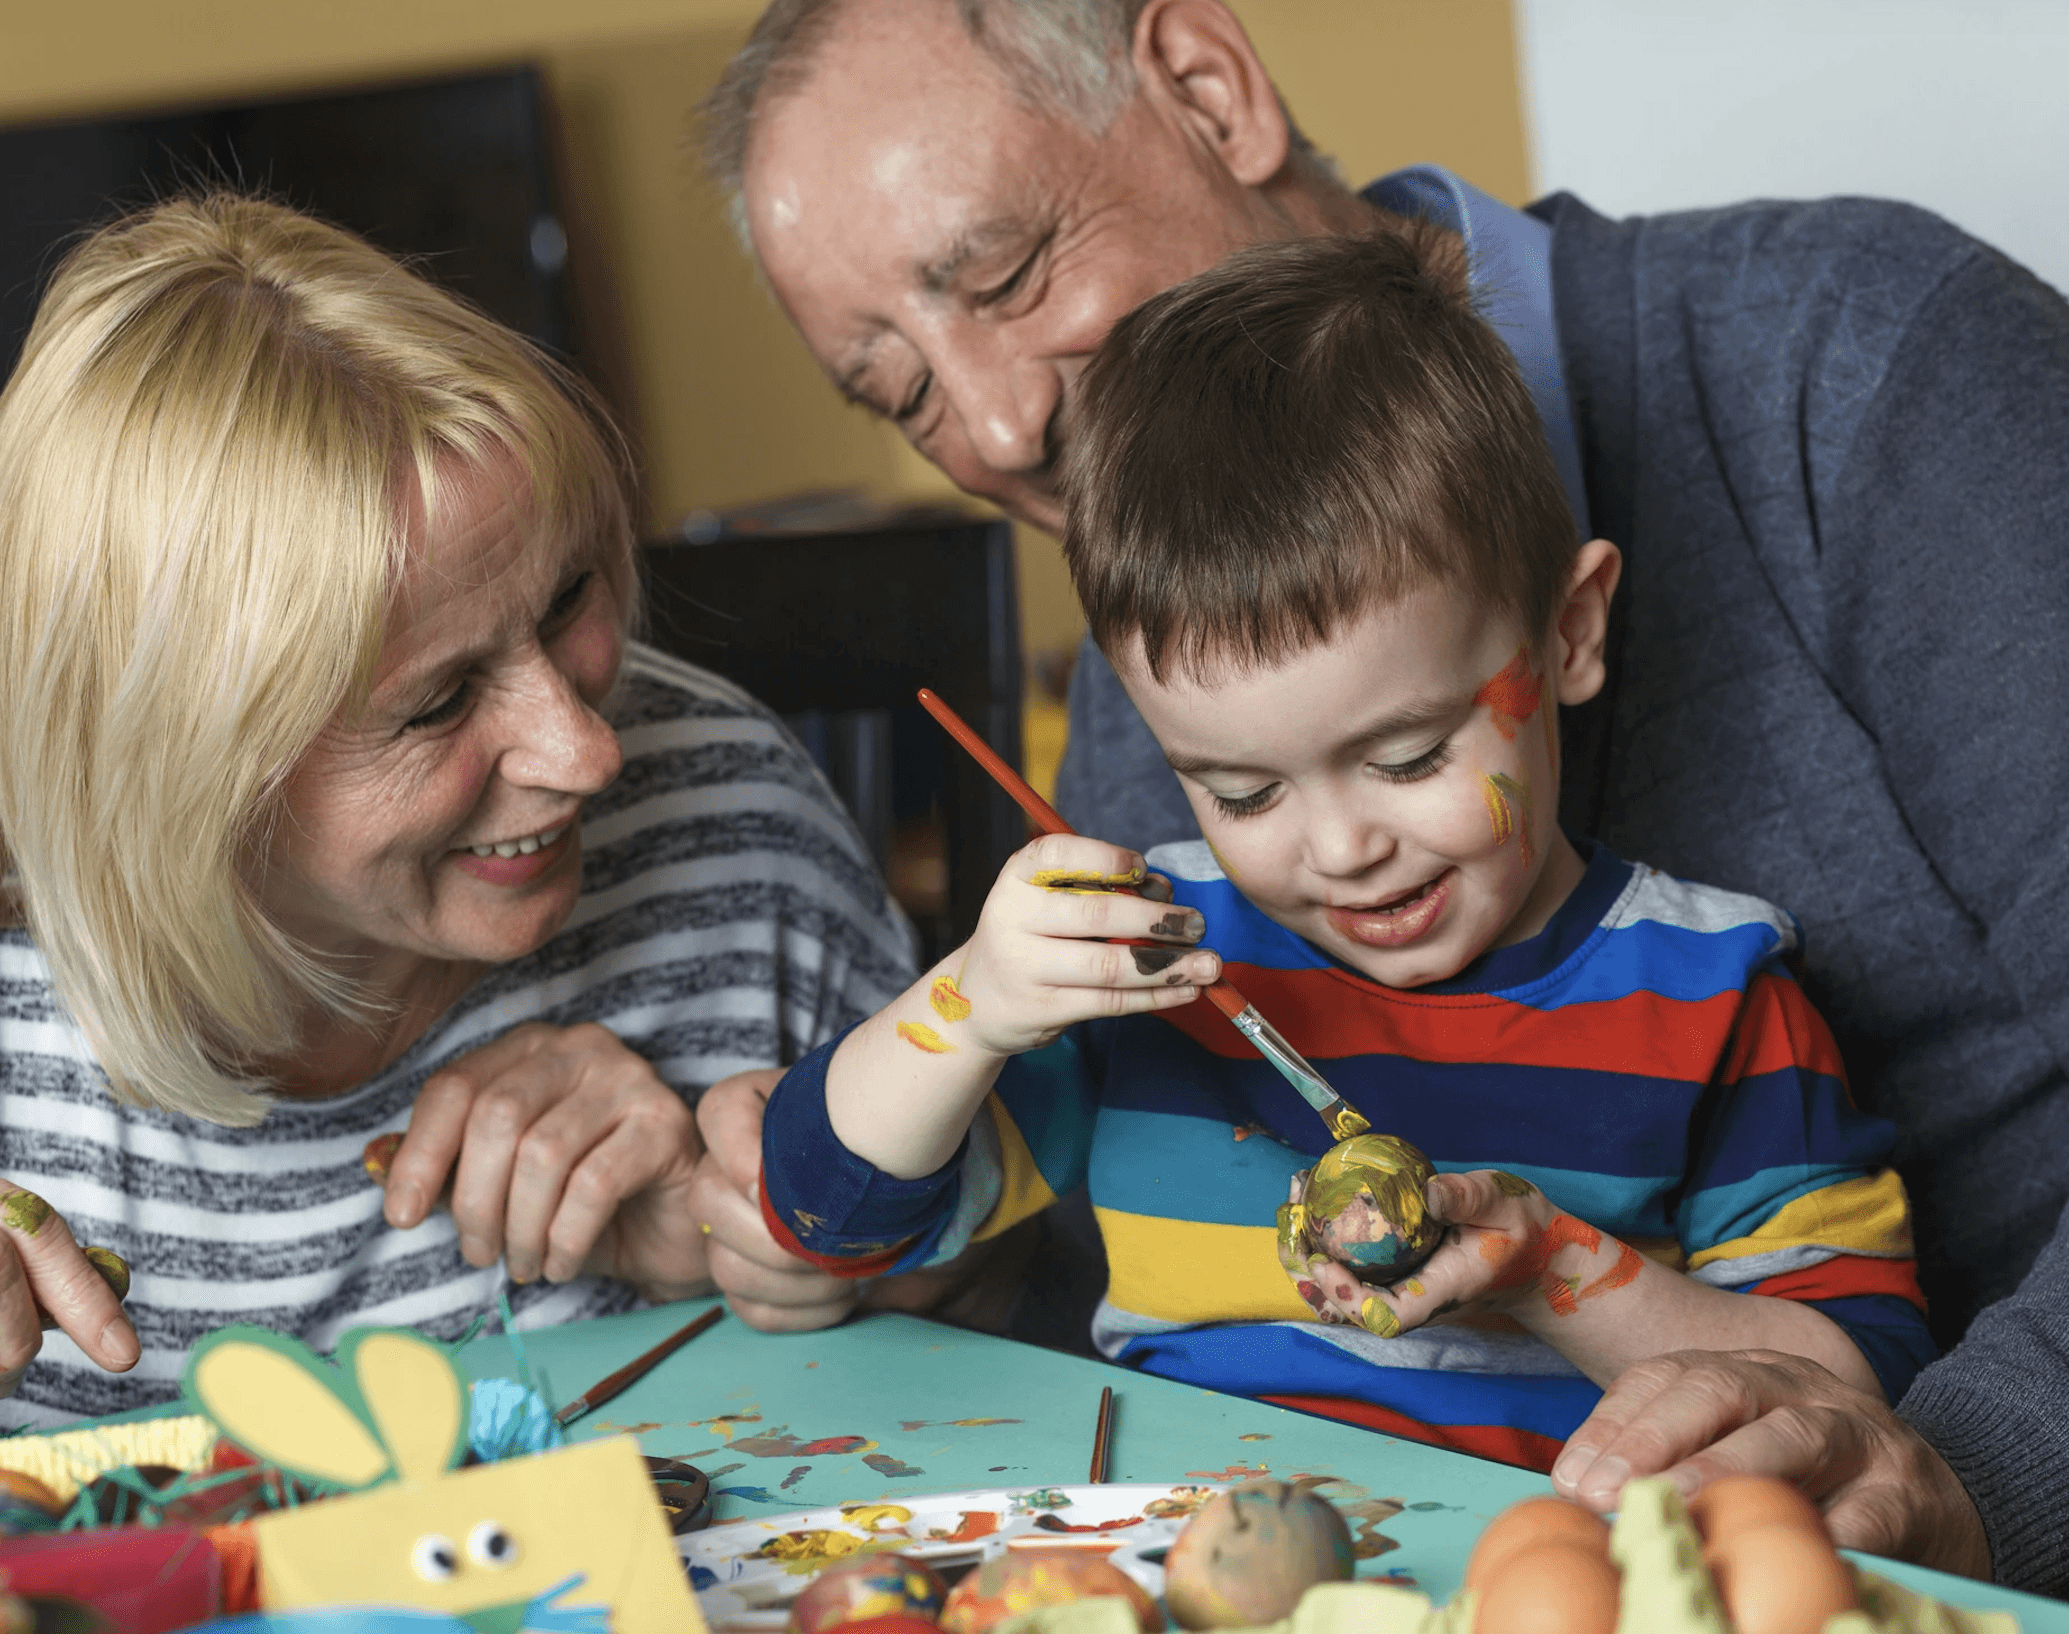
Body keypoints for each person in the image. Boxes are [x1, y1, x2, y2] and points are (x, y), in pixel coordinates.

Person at [692, 0, 2069, 1587]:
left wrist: (1964, 1483)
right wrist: (844, 1169)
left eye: (1003, 278)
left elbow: (1832, 1381)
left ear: (1209, 89)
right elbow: (1065, 1249)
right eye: (899, 393)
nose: (999, 428)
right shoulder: (1163, 811)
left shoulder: (1860, 362)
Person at [750, 229, 1931, 1472]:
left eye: (1411, 757)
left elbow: (1854, 1392)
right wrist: (972, 1003)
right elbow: (831, 1218)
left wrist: (1548, 1263)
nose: (1342, 846)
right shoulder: (1155, 963)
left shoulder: (1713, 996)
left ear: (1571, 632)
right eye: (1242, 790)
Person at [0, 192, 913, 1440]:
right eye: (434, 703)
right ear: (173, 767)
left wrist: (775, 1241)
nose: (586, 751)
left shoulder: (726, 802)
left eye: (569, 594)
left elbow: (990, 1301)